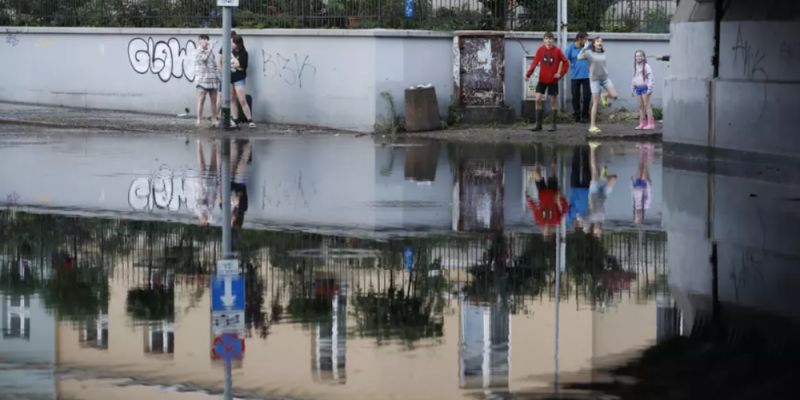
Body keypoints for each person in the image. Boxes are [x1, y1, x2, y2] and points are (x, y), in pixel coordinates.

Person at [525, 32, 569, 132]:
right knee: (537, 99)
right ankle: (538, 125)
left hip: (553, 80)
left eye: (550, 39)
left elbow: (566, 62)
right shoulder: (540, 50)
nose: (549, 40)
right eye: (547, 38)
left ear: (553, 40)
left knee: (553, 101)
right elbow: (534, 63)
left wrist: (560, 74)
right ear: (544, 40)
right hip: (542, 80)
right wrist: (528, 74)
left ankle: (553, 125)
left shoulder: (557, 51)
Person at [579, 37, 619, 134]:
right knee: (595, 103)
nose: (600, 42)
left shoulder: (603, 52)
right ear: (593, 43)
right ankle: (592, 126)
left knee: (615, 96)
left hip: (605, 78)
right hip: (594, 80)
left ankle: (604, 95)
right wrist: (584, 48)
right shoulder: (589, 53)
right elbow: (579, 57)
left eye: (601, 41)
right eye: (597, 41)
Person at [525, 160, 569, 239]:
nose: (547, 230)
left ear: (543, 232)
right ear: (552, 232)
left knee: (537, 174)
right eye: (549, 232)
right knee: (553, 172)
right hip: (553, 193)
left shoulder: (539, 221)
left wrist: (528, 199)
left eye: (546, 232)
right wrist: (559, 199)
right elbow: (565, 208)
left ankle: (538, 158)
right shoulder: (557, 221)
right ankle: (553, 156)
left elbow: (534, 208)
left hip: (543, 193)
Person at [218, 32, 255, 128]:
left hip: (239, 78)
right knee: (232, 99)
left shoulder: (243, 53)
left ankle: (250, 120)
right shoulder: (228, 50)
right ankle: (235, 119)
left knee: (242, 99)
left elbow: (240, 65)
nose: (231, 44)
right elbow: (221, 59)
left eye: (233, 42)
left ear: (238, 43)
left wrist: (232, 56)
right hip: (230, 78)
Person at [587, 142, 617, 236]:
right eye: (600, 230)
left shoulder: (590, 219)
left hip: (594, 193)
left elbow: (590, 206)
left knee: (594, 172)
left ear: (593, 229)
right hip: (604, 195)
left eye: (597, 230)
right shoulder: (603, 220)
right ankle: (604, 176)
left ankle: (592, 148)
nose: (598, 228)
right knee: (614, 178)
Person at [564, 32, 591, 123]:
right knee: (575, 96)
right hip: (575, 76)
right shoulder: (571, 47)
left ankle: (585, 115)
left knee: (587, 96)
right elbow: (564, 59)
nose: (586, 41)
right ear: (579, 39)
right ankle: (577, 115)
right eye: (585, 39)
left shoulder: (588, 46)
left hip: (587, 75)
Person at [193, 34, 219, 127]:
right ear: (199, 41)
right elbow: (204, 59)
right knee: (201, 100)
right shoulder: (198, 51)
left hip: (212, 80)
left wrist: (217, 74)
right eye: (202, 39)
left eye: (205, 39)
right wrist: (210, 48)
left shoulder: (211, 52)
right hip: (202, 81)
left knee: (214, 101)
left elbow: (214, 64)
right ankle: (199, 120)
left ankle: (214, 119)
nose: (204, 41)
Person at [567, 145, 591, 231]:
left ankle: (576, 148)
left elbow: (566, 208)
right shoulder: (586, 218)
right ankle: (585, 149)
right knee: (586, 169)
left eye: (577, 226)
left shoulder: (569, 218)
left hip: (574, 190)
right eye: (580, 226)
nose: (578, 224)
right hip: (585, 191)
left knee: (575, 168)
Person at [195, 139, 219, 225]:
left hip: (202, 184)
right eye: (205, 223)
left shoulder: (197, 211)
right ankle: (215, 143)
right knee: (214, 163)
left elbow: (201, 201)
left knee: (201, 163)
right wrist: (217, 186)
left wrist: (204, 212)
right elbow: (213, 197)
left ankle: (199, 142)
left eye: (202, 222)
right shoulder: (210, 213)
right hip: (211, 185)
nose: (204, 221)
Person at [632, 49, 656, 130]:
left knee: (647, 105)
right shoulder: (635, 66)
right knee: (640, 106)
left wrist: (650, 88)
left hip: (645, 88)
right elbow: (634, 78)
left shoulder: (646, 66)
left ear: (643, 57)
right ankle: (642, 123)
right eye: (636, 56)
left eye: (639, 56)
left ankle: (651, 124)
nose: (638, 57)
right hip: (637, 88)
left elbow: (651, 77)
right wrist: (633, 88)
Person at [632, 143, 653, 224]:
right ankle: (649, 149)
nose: (637, 215)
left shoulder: (634, 207)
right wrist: (648, 185)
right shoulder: (646, 206)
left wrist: (631, 183)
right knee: (645, 167)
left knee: (639, 166)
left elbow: (632, 196)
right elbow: (649, 195)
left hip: (636, 185)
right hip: (644, 185)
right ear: (641, 216)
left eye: (635, 216)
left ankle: (641, 149)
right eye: (638, 217)